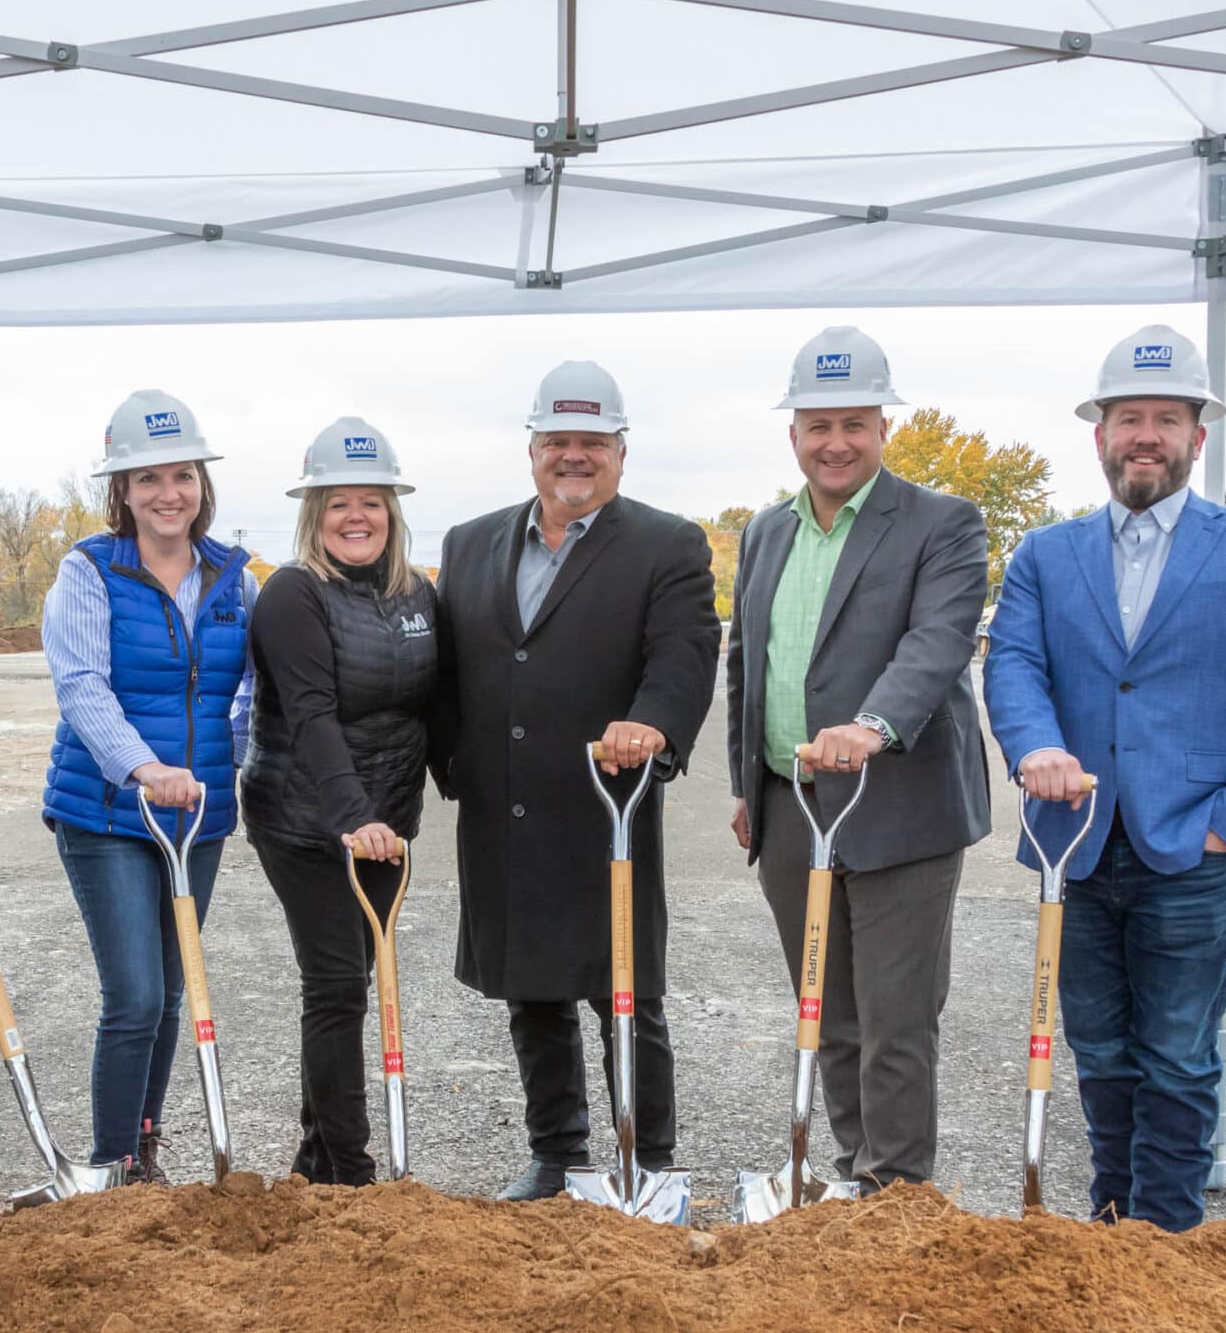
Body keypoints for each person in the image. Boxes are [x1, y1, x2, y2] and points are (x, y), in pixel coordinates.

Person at [984, 325, 1226, 1229]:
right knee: (1098, 1045)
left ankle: (1166, 1236)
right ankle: (1111, 1215)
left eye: (1165, 419)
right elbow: (1012, 666)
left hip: (1194, 847)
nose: (1145, 435)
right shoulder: (1045, 555)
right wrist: (1034, 750)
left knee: (1178, 1053)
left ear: (1196, 438)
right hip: (1075, 841)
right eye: (1127, 417)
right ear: (1099, 434)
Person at [430, 362, 719, 1201]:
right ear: (531, 450)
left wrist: (653, 723)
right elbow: (451, 665)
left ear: (621, 454)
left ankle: (649, 1161)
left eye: (592, 442)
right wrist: (450, 763)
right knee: (532, 991)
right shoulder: (471, 542)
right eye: (558, 440)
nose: (574, 457)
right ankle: (558, 1153)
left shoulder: (668, 543)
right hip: (504, 806)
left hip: (607, 806)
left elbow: (685, 652)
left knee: (625, 992)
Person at [723, 327, 991, 1191]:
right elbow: (748, 659)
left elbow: (938, 641)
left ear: (884, 427)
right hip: (792, 809)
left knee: (896, 1021)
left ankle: (897, 1195)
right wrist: (745, 784)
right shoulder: (766, 532)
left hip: (897, 806)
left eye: (853, 423)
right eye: (816, 425)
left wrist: (872, 726)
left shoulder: (941, 523)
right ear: (792, 434)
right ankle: (851, 1176)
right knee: (827, 1015)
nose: (834, 442)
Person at [42, 390, 255, 1182]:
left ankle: (144, 1151)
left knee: (171, 993)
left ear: (202, 482)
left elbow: (250, 693)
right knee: (134, 993)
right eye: (148, 478)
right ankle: (110, 1166)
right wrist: (144, 767)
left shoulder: (233, 578)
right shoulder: (90, 570)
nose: (169, 493)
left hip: (194, 818)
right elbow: (81, 686)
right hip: (106, 811)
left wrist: (226, 761)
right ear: (121, 492)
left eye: (183, 475)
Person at [242, 418, 438, 1184]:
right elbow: (311, 714)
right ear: (313, 515)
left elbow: (436, 705)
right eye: (338, 504)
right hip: (304, 819)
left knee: (357, 974)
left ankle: (317, 1156)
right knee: (335, 985)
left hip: (385, 825)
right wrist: (353, 818)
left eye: (373, 501)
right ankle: (350, 1167)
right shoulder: (293, 594)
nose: (357, 517)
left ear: (393, 510)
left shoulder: (416, 593)